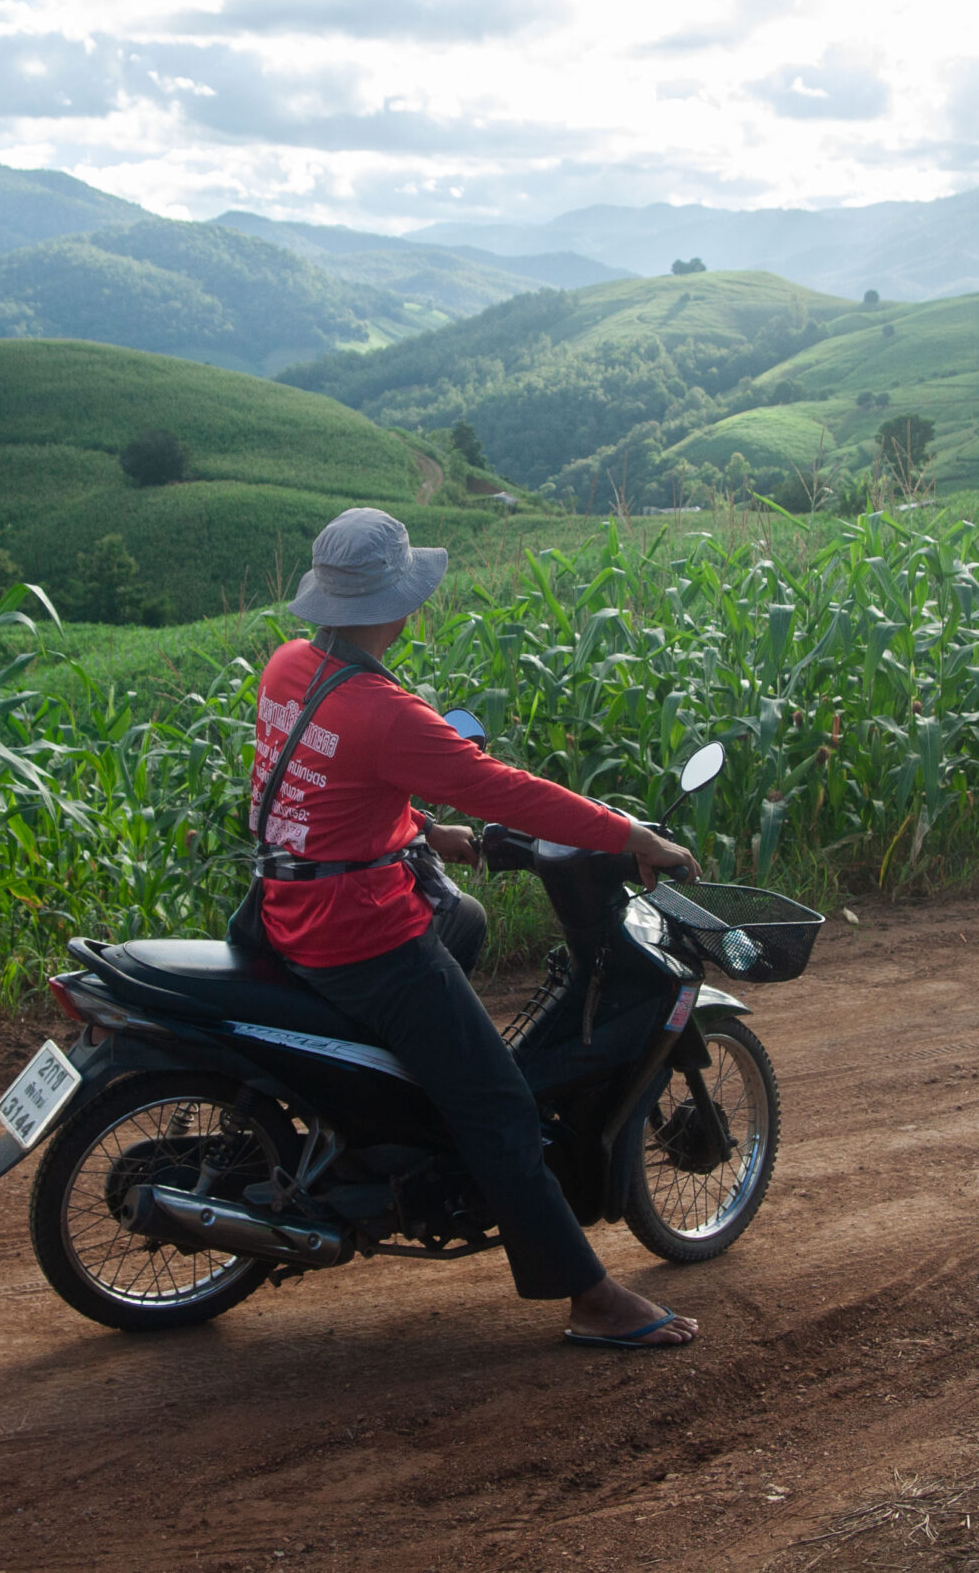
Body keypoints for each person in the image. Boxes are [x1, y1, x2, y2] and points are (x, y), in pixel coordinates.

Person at [252, 506, 703, 1349]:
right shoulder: (387, 713)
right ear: (395, 603)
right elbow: (508, 790)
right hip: (358, 934)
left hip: (286, 904)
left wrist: (418, 828)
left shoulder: (290, 666)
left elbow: (318, 786)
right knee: (498, 1103)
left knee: (465, 921)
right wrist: (629, 833)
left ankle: (407, 1122)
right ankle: (590, 1296)